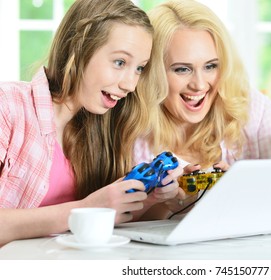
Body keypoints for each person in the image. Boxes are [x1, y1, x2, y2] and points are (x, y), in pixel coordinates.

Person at [0, 0, 181, 246]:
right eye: (120, 62)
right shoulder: (8, 106)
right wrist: (86, 209)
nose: (129, 84)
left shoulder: (102, 129)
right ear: (79, 47)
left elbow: (110, 229)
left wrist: (153, 200)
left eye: (139, 68)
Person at [134, 0, 271, 218]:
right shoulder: (134, 128)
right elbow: (121, 222)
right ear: (154, 74)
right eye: (182, 69)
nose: (199, 84)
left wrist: (243, 193)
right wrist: (170, 206)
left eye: (210, 66)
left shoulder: (253, 110)